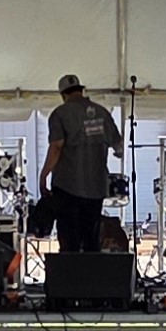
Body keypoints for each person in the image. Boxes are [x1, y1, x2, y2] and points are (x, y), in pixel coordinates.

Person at [41, 74, 122, 254]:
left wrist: (44, 175)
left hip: (67, 186)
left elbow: (56, 147)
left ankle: (71, 280)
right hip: (96, 187)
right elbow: (119, 146)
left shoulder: (59, 114)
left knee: (70, 241)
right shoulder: (102, 113)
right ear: (81, 90)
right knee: (92, 239)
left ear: (63, 94)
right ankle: (91, 279)